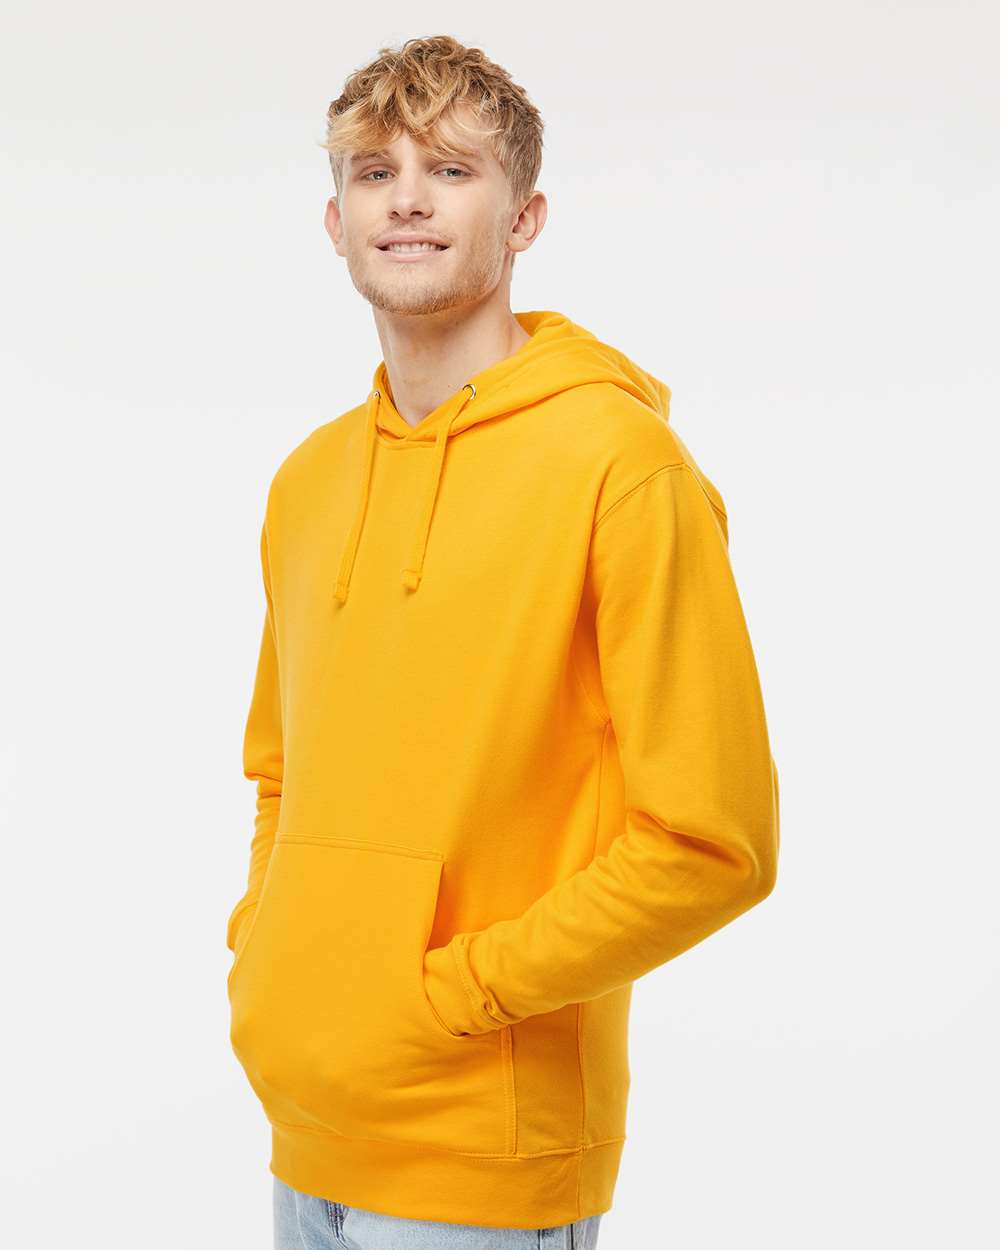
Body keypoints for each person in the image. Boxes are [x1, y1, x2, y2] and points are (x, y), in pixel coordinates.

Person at [224, 33, 780, 1250]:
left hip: (484, 1154)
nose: (407, 199)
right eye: (376, 171)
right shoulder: (307, 482)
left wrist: (451, 995)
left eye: (451, 170)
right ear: (334, 220)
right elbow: (281, 771)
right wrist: (269, 953)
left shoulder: (621, 466)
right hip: (303, 1130)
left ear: (524, 217)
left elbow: (713, 842)